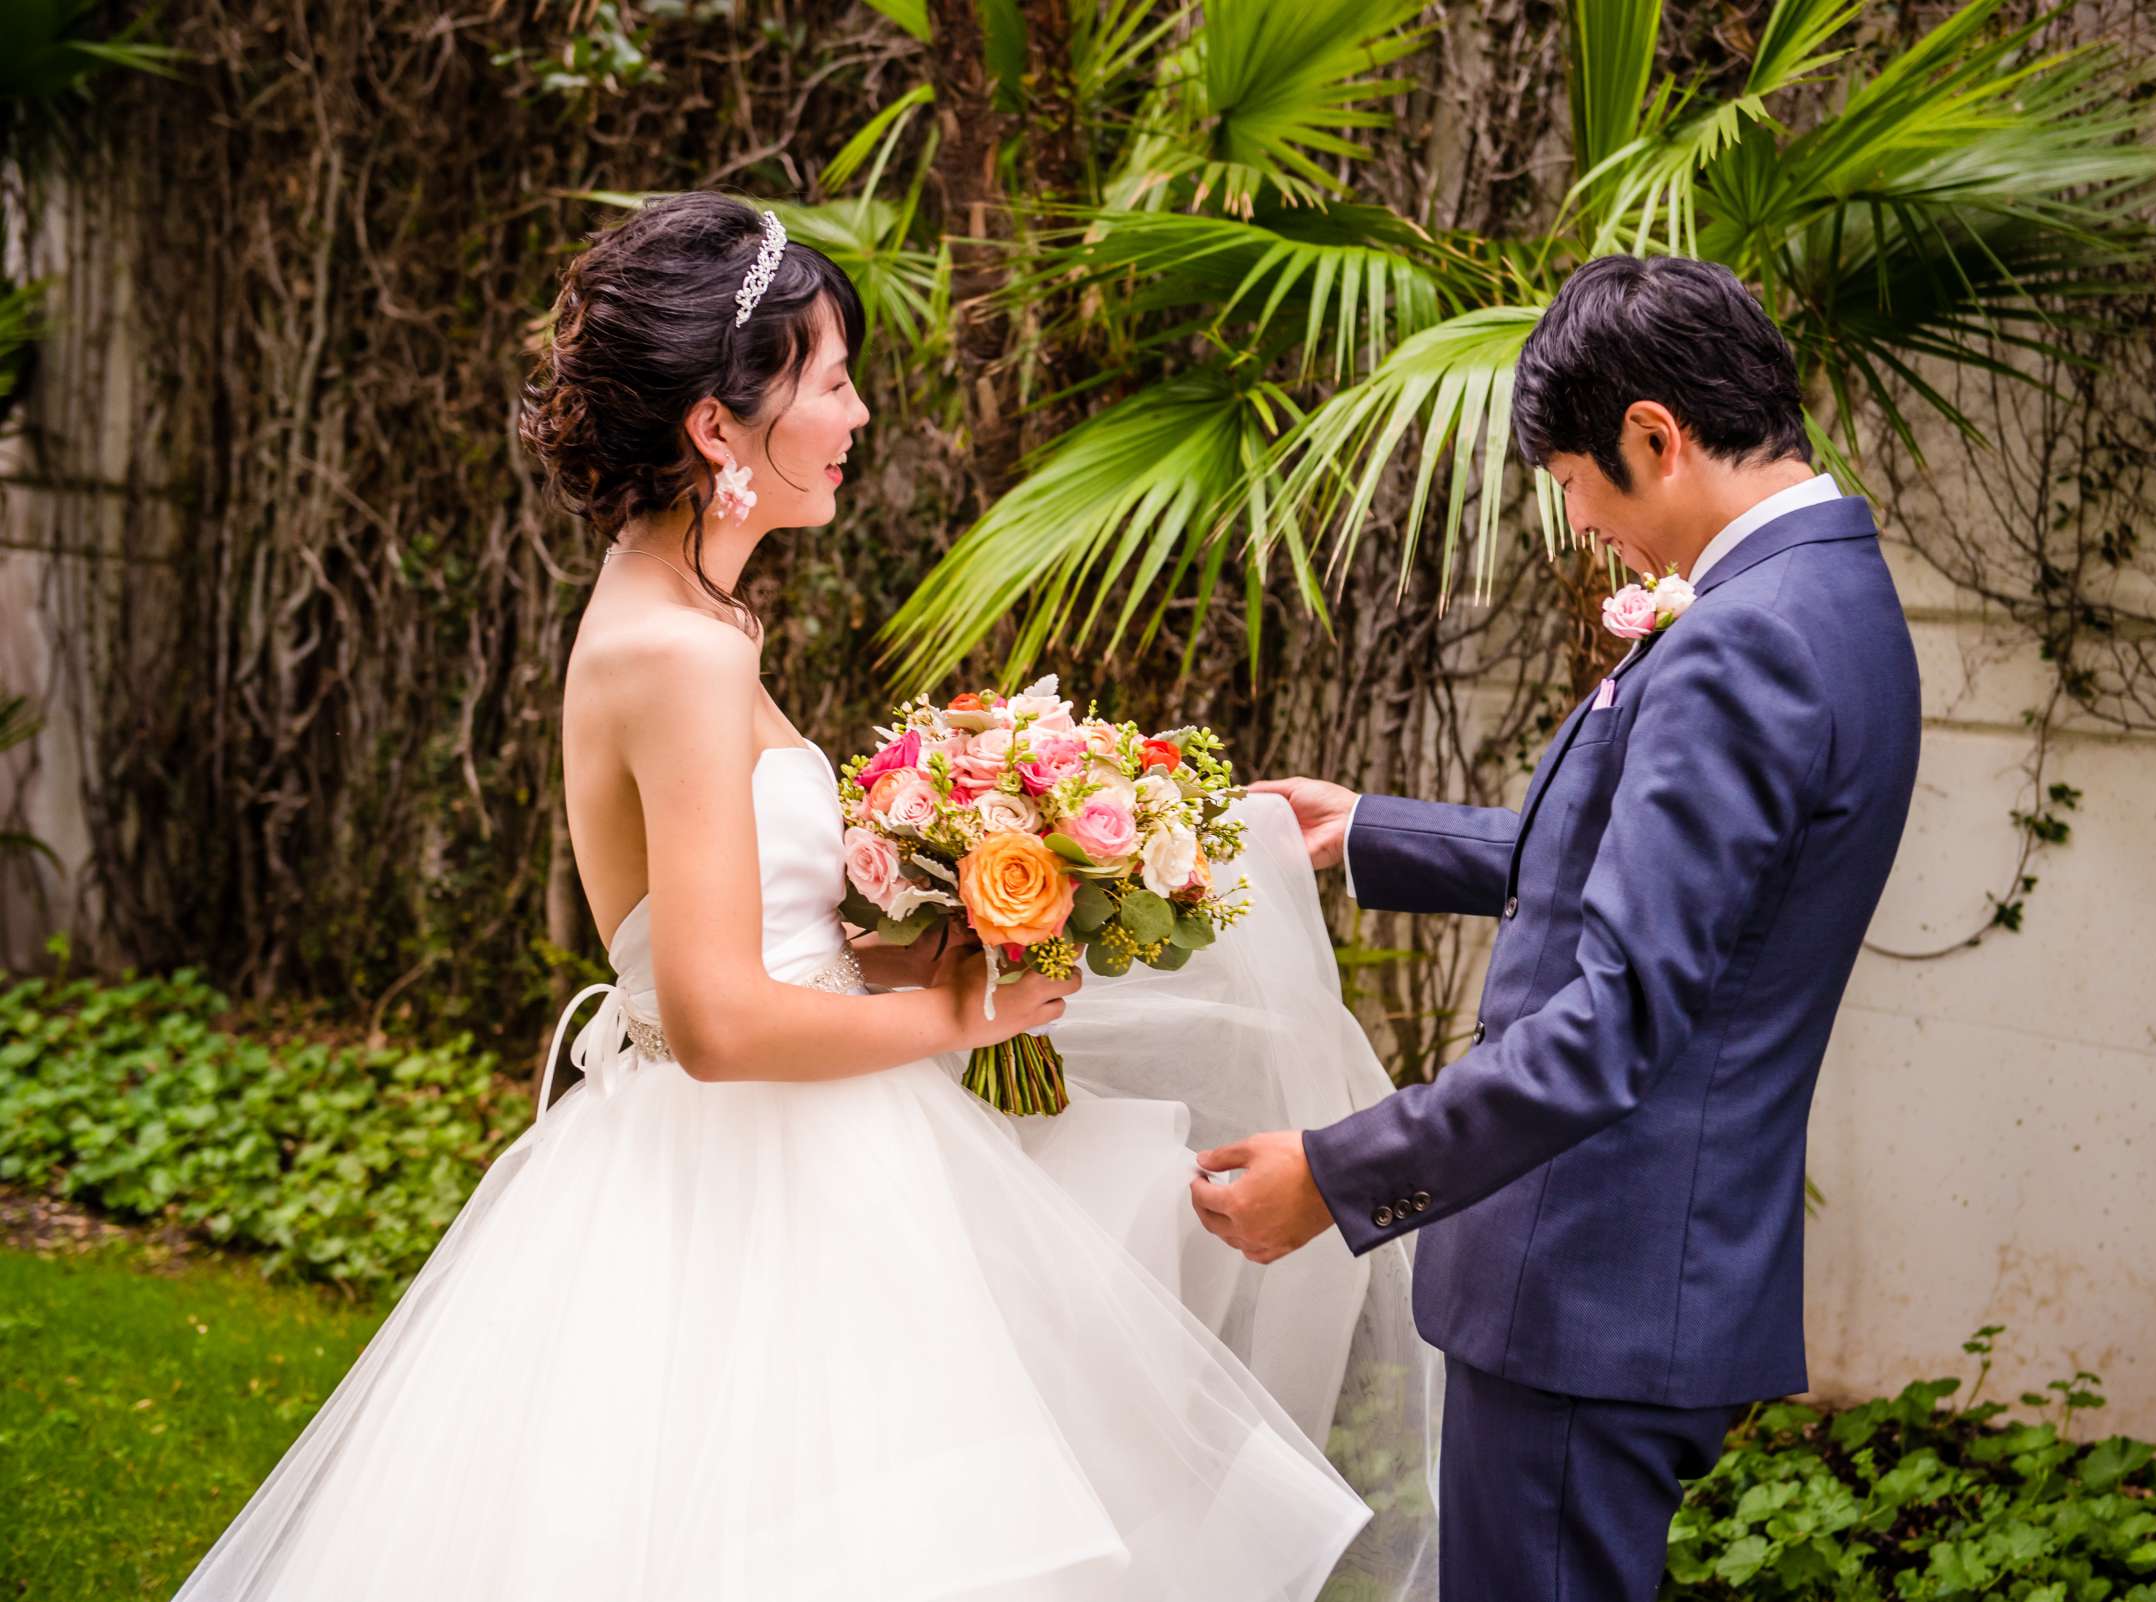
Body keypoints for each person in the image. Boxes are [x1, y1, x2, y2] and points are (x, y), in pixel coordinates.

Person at [173, 191, 1433, 1602]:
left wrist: (988, 903)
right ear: (722, 425)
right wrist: (965, 1006)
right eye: (831, 381)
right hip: (744, 1184)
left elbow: (759, 943)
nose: (859, 416)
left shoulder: (705, 619)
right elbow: (713, 1016)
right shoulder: (680, 652)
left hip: (812, 1147)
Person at [1192, 254, 1923, 1602]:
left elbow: (1609, 1021)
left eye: (1575, 482)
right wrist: (1366, 832)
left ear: (1655, 433)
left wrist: (1340, 1176)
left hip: (1587, 1282)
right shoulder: (1831, 596)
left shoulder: (1741, 639)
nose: (1581, 522)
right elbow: (1668, 885)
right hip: (1643, 1275)